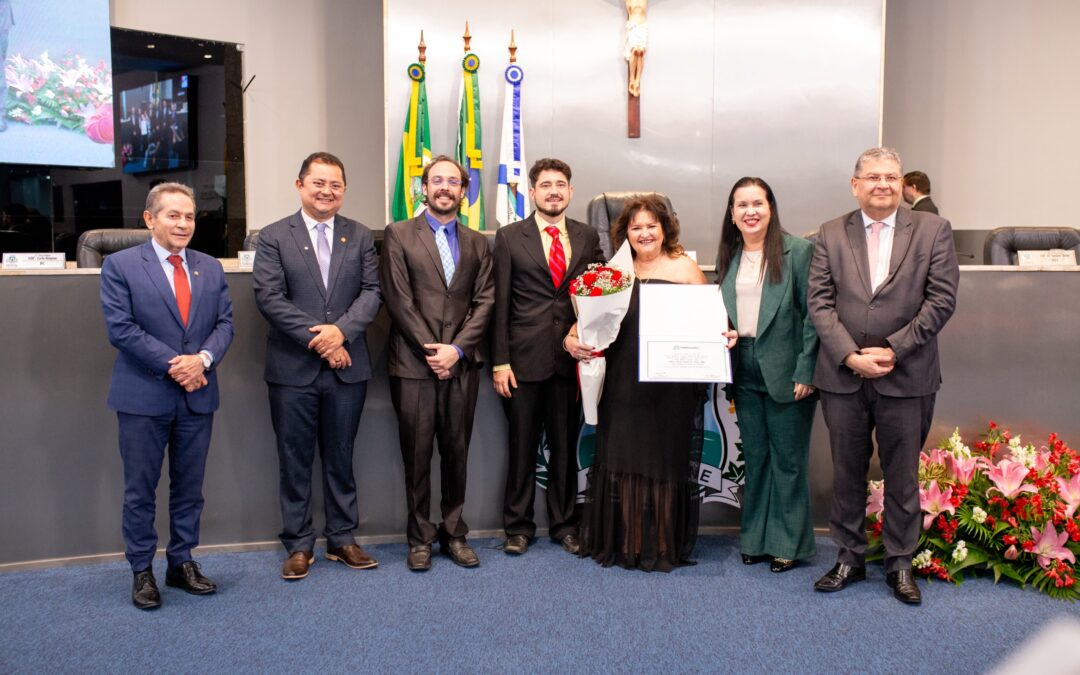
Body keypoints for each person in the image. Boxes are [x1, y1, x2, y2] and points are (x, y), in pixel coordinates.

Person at [808, 147, 959, 605]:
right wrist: (851, 355)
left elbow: (942, 299)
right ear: (855, 185)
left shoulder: (933, 230)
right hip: (843, 375)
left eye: (891, 177)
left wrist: (894, 348)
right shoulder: (831, 233)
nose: (883, 184)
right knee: (847, 471)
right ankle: (849, 557)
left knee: (902, 474)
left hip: (907, 374)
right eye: (873, 177)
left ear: (903, 184)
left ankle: (899, 562)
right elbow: (819, 302)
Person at [566, 195, 736, 572]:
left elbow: (711, 323)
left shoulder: (686, 268)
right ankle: (628, 542)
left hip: (670, 385)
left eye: (651, 226)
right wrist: (571, 337)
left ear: (665, 229)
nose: (644, 233)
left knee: (664, 461)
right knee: (625, 460)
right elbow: (585, 320)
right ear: (625, 232)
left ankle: (661, 542)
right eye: (635, 227)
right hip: (623, 382)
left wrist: (725, 336)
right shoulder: (613, 271)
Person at [99, 182, 234, 609]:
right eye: (173, 215)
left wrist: (205, 360)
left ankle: (182, 562)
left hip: (198, 394)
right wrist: (180, 364)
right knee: (140, 490)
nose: (182, 224)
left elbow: (225, 324)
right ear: (149, 219)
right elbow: (122, 329)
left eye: (189, 216)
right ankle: (142, 570)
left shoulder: (209, 267)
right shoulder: (120, 266)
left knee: (189, 488)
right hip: (143, 396)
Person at [253, 152, 382, 580]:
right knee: (294, 458)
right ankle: (298, 543)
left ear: (344, 190)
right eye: (318, 183)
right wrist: (324, 342)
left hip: (348, 368)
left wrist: (341, 334)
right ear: (299, 185)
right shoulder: (273, 236)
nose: (327, 191)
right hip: (293, 370)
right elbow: (270, 298)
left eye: (336, 185)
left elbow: (372, 293)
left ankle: (342, 539)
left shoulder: (361, 236)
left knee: (341, 456)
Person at [381, 155, 495, 571]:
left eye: (453, 181)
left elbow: (485, 302)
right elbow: (398, 299)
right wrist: (434, 352)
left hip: (461, 365)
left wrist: (457, 350)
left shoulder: (479, 242)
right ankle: (420, 537)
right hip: (413, 364)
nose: (445, 187)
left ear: (464, 191)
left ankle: (454, 532)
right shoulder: (398, 235)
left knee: (456, 451)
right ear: (424, 188)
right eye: (437, 181)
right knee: (416, 454)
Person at [491, 158, 604, 556]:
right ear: (533, 193)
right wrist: (500, 361)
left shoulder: (588, 236)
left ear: (570, 192)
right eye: (545, 185)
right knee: (521, 447)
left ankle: (564, 524)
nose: (554, 191)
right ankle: (518, 528)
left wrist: (581, 330)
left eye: (561, 184)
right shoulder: (508, 237)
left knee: (564, 446)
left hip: (570, 361)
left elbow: (598, 294)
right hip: (521, 363)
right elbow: (499, 302)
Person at [716, 177, 819, 573]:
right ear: (732, 213)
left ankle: (788, 543)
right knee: (755, 458)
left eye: (757, 203)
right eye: (741, 205)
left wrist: (806, 369)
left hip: (787, 368)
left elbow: (813, 316)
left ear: (771, 208)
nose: (750, 211)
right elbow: (725, 310)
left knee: (788, 461)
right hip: (743, 365)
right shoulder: (730, 255)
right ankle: (755, 539)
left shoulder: (798, 252)